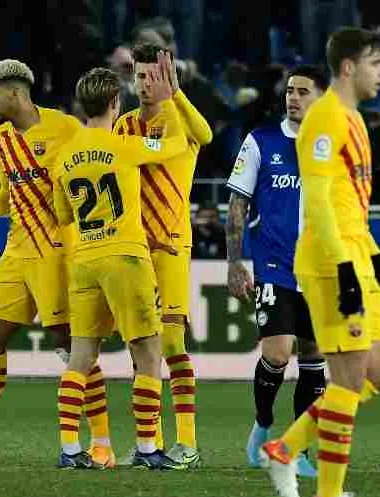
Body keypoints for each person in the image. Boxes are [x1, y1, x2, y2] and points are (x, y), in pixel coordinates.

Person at [0, 59, 115, 469]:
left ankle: (102, 443)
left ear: (16, 92)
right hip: (16, 253)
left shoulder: (66, 129)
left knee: (71, 349)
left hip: (57, 254)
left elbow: (97, 172)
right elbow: (11, 194)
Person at [260, 27, 380, 497]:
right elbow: (316, 201)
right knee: (347, 379)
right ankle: (329, 496)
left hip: (356, 251)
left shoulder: (355, 120)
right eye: (376, 63)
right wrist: (345, 268)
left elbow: (349, 200)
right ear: (348, 67)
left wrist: (372, 256)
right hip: (328, 260)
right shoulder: (324, 119)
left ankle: (285, 449)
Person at [52, 59, 188, 469]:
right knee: (148, 353)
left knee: (80, 357)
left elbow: (63, 215)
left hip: (84, 260)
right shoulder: (125, 145)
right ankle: (148, 449)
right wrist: (169, 103)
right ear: (115, 102)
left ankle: (70, 449)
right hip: (126, 256)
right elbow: (177, 146)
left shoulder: (62, 156)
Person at [225, 65, 329, 477]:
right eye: (290, 91)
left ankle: (299, 448)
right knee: (277, 352)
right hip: (275, 265)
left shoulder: (332, 146)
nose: (294, 97)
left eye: (303, 91)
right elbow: (237, 206)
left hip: (320, 271)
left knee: (313, 354)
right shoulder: (260, 142)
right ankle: (263, 424)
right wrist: (235, 262)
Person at [113, 43, 213, 468]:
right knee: (141, 346)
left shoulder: (181, 119)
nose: (144, 84)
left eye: (153, 76)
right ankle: (148, 444)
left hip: (172, 242)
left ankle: (187, 443)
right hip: (135, 246)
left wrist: (178, 94)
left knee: (171, 340)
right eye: (139, 76)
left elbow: (207, 136)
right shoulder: (123, 126)